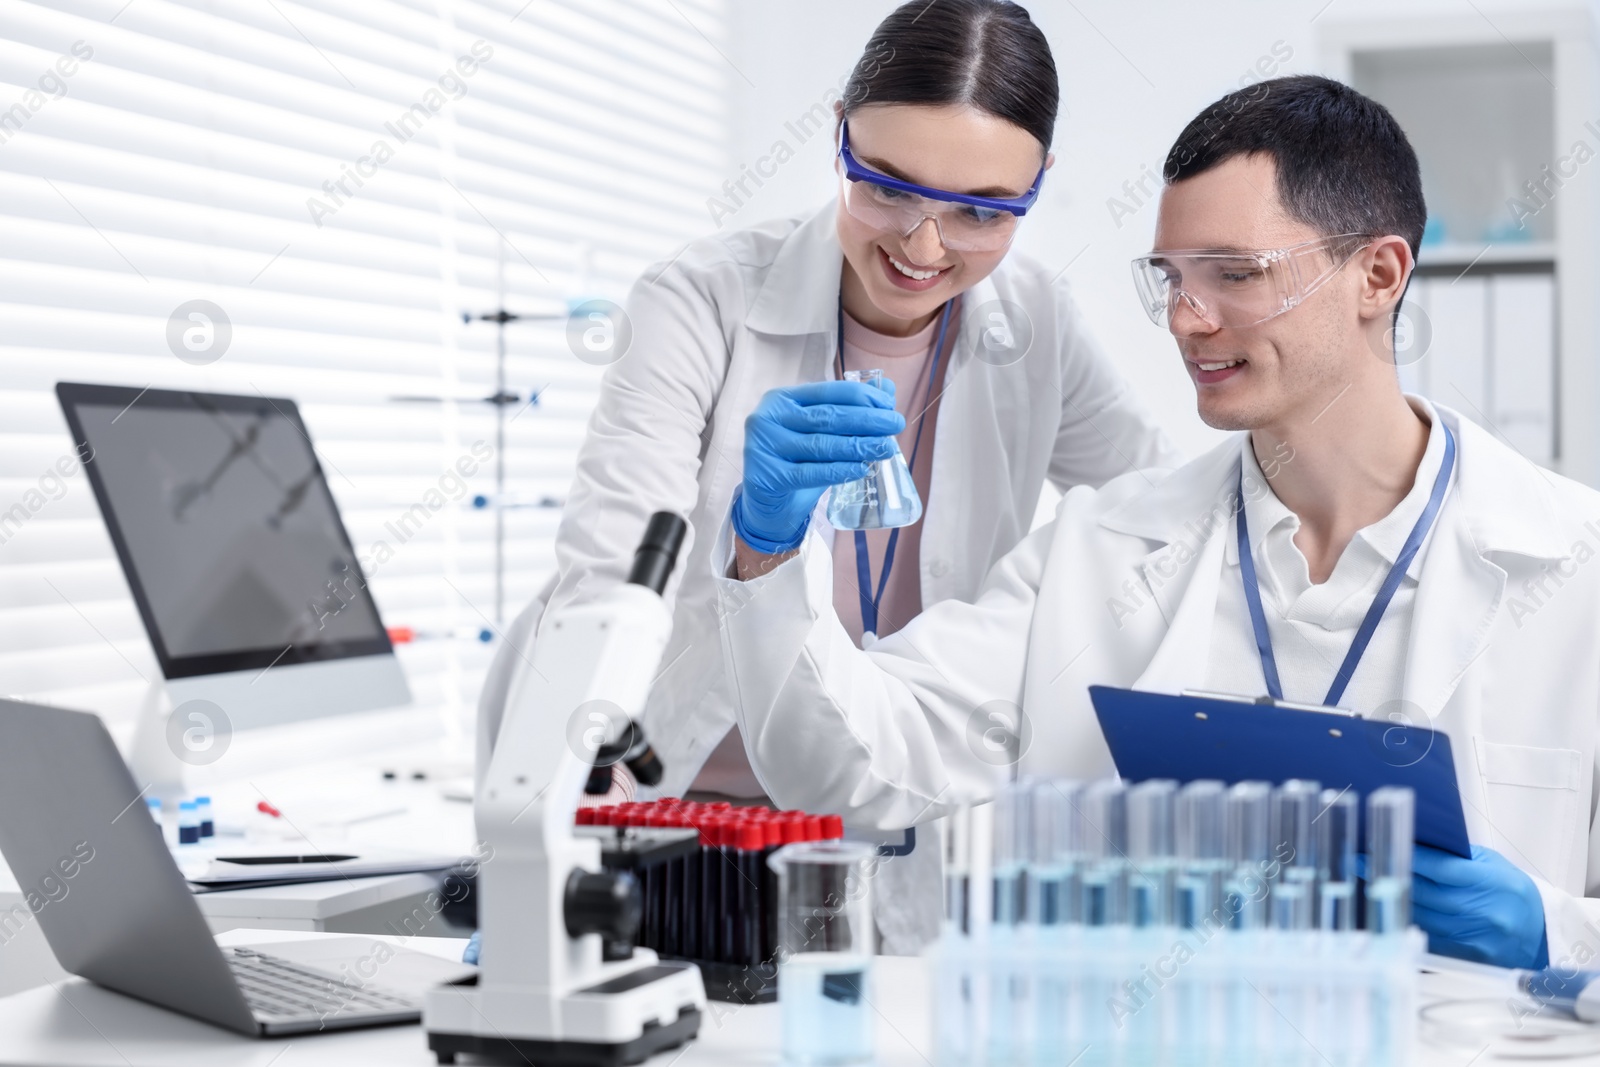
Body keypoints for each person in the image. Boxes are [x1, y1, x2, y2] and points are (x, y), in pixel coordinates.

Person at [717, 74, 1600, 971]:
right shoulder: (1098, 551)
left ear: (1378, 274)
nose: (1186, 318)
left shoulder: (1576, 567)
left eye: (1235, 275)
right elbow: (847, 766)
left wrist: (1554, 929)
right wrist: (768, 547)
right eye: (1171, 278)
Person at [475, 0, 1178, 957]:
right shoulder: (703, 298)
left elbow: (1159, 515)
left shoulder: (1036, 322)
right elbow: (607, 572)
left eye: (980, 210)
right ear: (840, 128)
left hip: (875, 829)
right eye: (887, 187)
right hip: (679, 813)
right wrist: (535, 848)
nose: (923, 247)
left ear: (1039, 183)